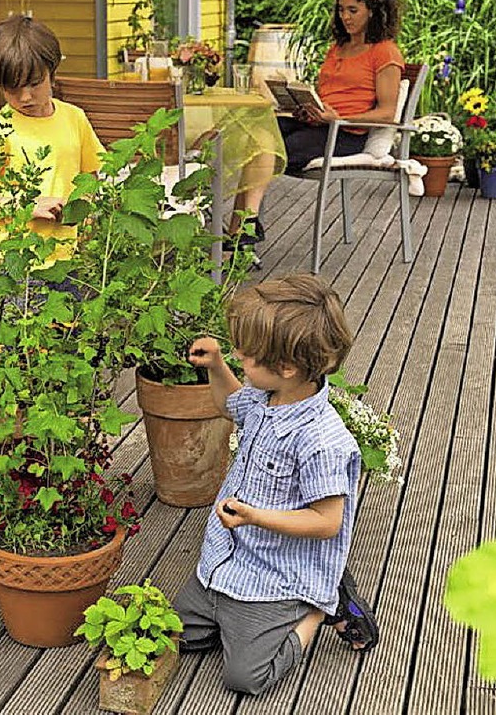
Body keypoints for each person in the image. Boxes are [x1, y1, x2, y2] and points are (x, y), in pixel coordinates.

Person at [175, 274, 379, 696]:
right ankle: (232, 620)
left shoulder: (321, 440)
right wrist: (217, 366)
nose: (238, 357)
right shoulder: (267, 395)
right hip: (223, 564)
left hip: (274, 579)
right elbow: (228, 404)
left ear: (286, 367)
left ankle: (318, 609)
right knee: (175, 636)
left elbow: (327, 521)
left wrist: (254, 517)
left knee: (245, 677)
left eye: (245, 356)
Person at [0, 15, 104, 263]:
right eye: (13, 88)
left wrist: (84, 208)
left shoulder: (74, 118)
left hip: (72, 259)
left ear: (52, 72)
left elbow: (90, 175)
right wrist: (26, 205)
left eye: (35, 84)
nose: (25, 97)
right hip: (20, 262)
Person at [279, 0, 404, 173]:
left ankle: (248, 205)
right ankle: (244, 204)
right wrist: (310, 111)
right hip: (320, 126)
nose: (344, 16)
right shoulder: (338, 48)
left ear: (372, 11)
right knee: (260, 132)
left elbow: (387, 114)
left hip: (346, 135)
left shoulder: (385, 51)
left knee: (276, 149)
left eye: (352, 10)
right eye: (341, 9)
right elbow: (331, 96)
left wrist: (338, 119)